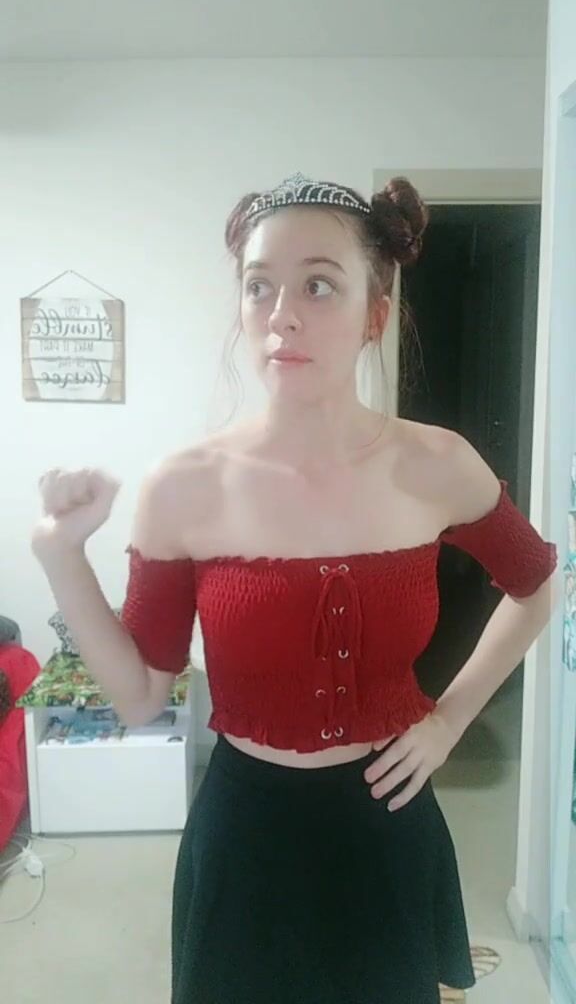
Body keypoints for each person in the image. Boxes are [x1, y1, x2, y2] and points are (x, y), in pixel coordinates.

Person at [32, 172, 559, 1004]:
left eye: (318, 284)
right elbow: (139, 696)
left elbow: (537, 585)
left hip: (389, 820)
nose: (282, 313)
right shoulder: (185, 485)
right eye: (259, 286)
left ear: (374, 314)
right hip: (246, 834)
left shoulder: (436, 464)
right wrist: (61, 553)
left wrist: (449, 721)